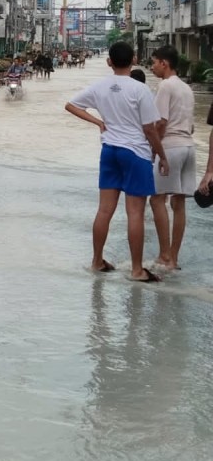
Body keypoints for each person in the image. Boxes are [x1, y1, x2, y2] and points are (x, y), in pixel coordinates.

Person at [65, 40, 169, 282]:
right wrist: (162, 156)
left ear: (109, 61)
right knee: (135, 212)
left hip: (109, 150)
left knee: (104, 210)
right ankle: (136, 270)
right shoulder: (140, 89)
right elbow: (150, 129)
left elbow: (70, 105)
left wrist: (99, 123)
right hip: (135, 153)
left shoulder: (99, 86)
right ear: (133, 59)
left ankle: (97, 261)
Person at [149, 45, 195, 271]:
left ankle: (164, 256)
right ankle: (173, 259)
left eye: (154, 62)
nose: (152, 67)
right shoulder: (187, 88)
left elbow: (160, 123)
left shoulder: (165, 86)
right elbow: (192, 125)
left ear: (164, 63)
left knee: (157, 199)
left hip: (171, 147)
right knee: (179, 203)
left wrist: (154, 152)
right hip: (189, 147)